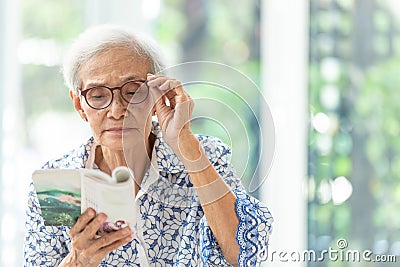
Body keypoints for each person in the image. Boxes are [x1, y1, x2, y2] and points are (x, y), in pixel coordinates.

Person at [24, 24, 273, 267]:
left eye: (132, 92)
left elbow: (245, 254)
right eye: (98, 95)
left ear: (156, 95)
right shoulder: (58, 186)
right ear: (80, 106)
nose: (117, 110)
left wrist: (184, 142)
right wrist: (79, 262)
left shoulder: (205, 155)